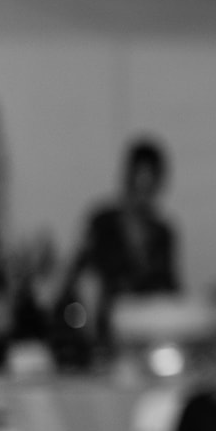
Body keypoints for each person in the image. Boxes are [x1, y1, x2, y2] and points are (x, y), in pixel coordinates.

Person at [63, 137, 181, 349]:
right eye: (139, 183)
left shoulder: (163, 232)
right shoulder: (102, 223)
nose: (143, 194)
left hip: (149, 327)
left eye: (150, 185)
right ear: (128, 179)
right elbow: (79, 276)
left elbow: (170, 285)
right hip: (107, 325)